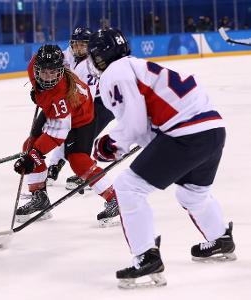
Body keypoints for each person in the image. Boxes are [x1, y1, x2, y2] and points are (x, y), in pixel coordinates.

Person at [87, 28, 236, 288]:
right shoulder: (136, 66)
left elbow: (132, 124)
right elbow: (146, 126)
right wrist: (123, 144)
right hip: (212, 130)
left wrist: (110, 144)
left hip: (185, 134)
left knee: (127, 188)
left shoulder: (115, 72)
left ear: (100, 57)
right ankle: (220, 238)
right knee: (192, 194)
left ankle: (146, 257)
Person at [13, 44, 118, 226]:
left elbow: (57, 135)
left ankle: (114, 199)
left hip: (82, 119)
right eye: (43, 72)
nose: (47, 77)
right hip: (53, 109)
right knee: (28, 146)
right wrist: (37, 92)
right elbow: (41, 84)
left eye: (52, 73)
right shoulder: (33, 67)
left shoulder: (61, 96)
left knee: (78, 161)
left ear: (61, 71)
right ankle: (39, 197)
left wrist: (34, 156)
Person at [45, 27, 117, 224]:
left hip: (101, 103)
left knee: (82, 139)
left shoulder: (91, 64)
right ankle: (58, 164)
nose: (77, 47)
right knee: (70, 136)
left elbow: (86, 94)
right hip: (82, 102)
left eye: (82, 44)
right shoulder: (68, 53)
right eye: (75, 43)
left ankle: (84, 172)